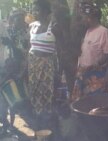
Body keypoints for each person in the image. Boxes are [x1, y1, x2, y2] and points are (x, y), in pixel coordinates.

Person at [28, 0, 62, 137]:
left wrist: (60, 73)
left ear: (46, 11)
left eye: (38, 10)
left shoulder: (54, 27)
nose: (35, 13)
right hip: (33, 68)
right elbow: (30, 47)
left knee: (49, 100)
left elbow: (60, 50)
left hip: (47, 68)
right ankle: (39, 131)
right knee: (34, 98)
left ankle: (52, 133)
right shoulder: (32, 26)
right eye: (34, 10)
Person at [71, 2, 108, 99]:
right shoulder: (86, 31)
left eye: (83, 17)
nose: (82, 20)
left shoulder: (103, 32)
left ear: (90, 17)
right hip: (82, 73)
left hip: (96, 75)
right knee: (80, 102)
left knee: (95, 102)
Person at [0, 9, 29, 133]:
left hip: (22, 67)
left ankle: (22, 119)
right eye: (14, 18)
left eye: (19, 17)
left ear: (23, 18)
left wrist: (11, 44)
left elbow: (25, 53)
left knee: (18, 96)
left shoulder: (28, 31)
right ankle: (7, 123)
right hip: (10, 68)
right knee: (8, 96)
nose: (16, 20)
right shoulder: (10, 31)